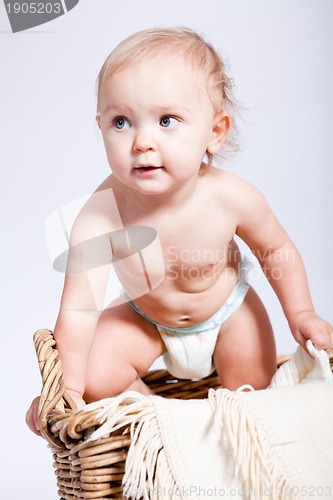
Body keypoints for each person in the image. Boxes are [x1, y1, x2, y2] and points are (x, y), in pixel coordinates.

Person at [26, 27, 333, 436]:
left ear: (214, 133)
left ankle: (223, 435)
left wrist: (301, 313)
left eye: (167, 120)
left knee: (252, 396)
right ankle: (162, 426)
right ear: (99, 126)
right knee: (98, 373)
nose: (142, 142)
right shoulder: (100, 216)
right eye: (121, 122)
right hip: (147, 317)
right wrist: (67, 389)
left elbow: (276, 250)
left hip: (228, 314)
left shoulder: (231, 197)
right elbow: (80, 308)